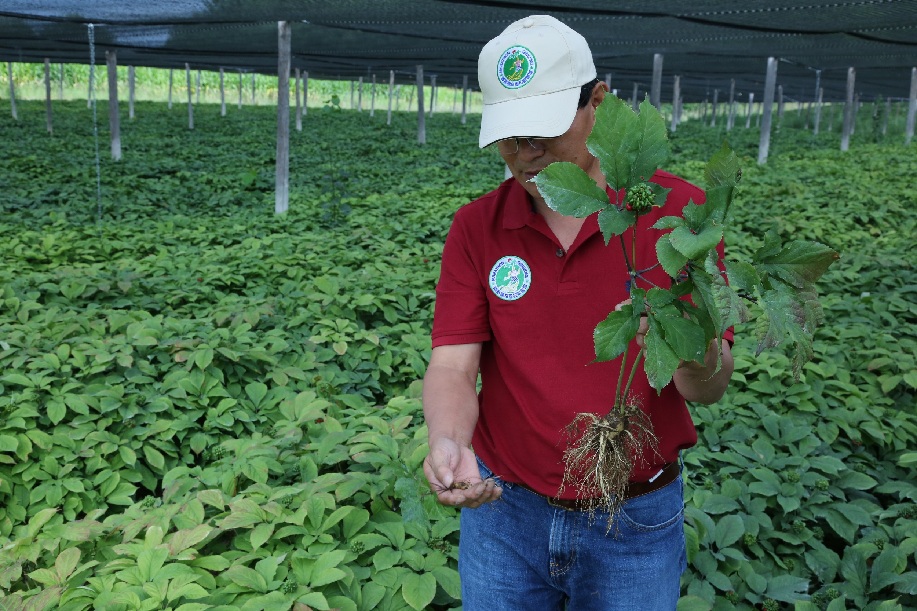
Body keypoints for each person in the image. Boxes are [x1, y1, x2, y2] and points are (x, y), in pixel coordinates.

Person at [422, 14, 734, 611]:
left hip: (634, 520)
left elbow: (708, 388)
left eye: (543, 131)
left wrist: (687, 344)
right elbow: (454, 367)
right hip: (503, 516)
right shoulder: (478, 227)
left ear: (598, 103)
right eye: (510, 137)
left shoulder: (679, 213)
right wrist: (449, 440)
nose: (526, 155)